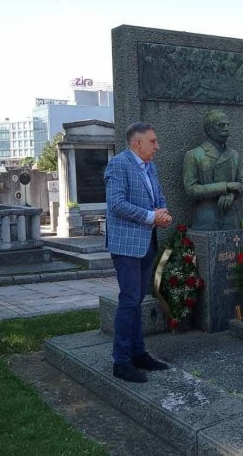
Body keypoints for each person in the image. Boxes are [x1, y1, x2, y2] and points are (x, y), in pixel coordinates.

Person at [105, 122, 173, 382]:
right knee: (129, 300)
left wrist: (163, 214)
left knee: (137, 300)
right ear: (138, 143)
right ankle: (121, 362)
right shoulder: (118, 164)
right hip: (126, 246)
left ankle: (138, 353)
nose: (157, 146)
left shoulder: (150, 166)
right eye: (153, 141)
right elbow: (116, 204)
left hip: (147, 242)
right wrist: (150, 216)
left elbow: (159, 198)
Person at [183, 110, 243, 230]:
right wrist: (225, 187)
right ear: (208, 129)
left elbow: (241, 184)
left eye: (227, 125)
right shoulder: (194, 155)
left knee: (234, 248)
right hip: (207, 218)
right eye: (221, 125)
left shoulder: (234, 155)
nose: (226, 129)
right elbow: (191, 189)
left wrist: (232, 194)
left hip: (230, 218)